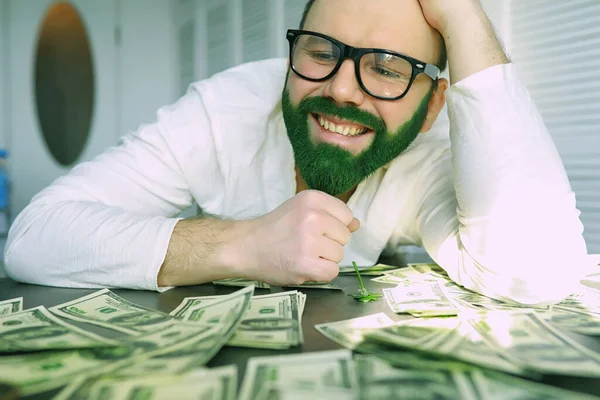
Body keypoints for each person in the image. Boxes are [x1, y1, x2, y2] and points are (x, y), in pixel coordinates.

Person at [4, 0, 589, 305]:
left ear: (432, 105)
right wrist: (242, 243)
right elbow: (36, 236)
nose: (340, 88)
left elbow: (532, 273)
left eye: (386, 68)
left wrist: (464, 15)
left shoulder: (432, 150)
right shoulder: (222, 112)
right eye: (320, 50)